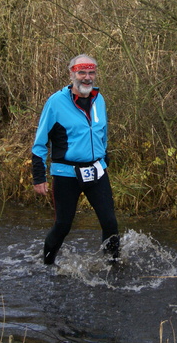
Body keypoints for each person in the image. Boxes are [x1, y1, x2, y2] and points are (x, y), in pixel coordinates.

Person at [31, 54, 119, 265]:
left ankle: (113, 267)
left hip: (96, 171)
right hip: (66, 174)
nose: (87, 78)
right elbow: (40, 142)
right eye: (82, 73)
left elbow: (102, 132)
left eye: (91, 73)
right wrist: (38, 175)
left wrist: (103, 157)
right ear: (72, 74)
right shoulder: (56, 103)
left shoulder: (99, 98)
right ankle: (47, 265)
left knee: (110, 223)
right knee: (63, 225)